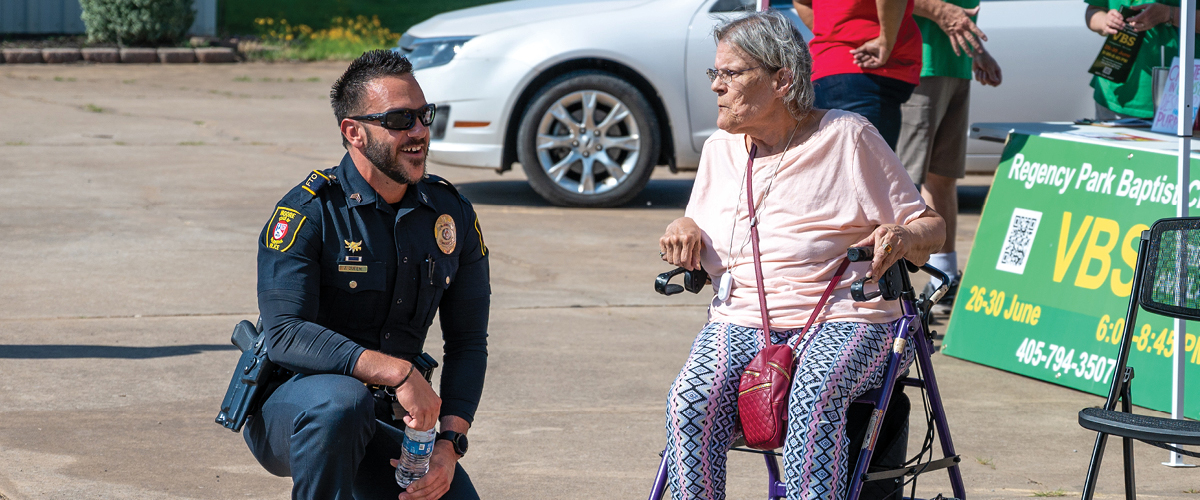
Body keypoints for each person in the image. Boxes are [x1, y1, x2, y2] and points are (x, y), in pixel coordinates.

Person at [658, 11, 945, 500]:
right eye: (715, 74)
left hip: (850, 317)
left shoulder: (847, 136)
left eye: (730, 74)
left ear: (782, 78)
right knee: (690, 400)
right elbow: (702, 231)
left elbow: (931, 228)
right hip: (742, 318)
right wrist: (683, 228)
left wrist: (901, 237)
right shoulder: (719, 152)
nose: (716, 87)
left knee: (814, 393)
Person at [244, 49, 489, 500]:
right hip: (295, 407)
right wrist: (398, 372)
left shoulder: (449, 213)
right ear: (353, 132)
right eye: (399, 120)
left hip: (385, 415)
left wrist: (449, 444)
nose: (419, 132)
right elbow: (286, 334)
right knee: (341, 403)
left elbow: (468, 341)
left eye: (423, 115)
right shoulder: (309, 213)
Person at [898, 0, 1002, 310]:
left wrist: (977, 51)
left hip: (954, 65)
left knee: (942, 176)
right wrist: (938, 12)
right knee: (903, 179)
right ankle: (887, 283)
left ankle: (943, 277)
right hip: (919, 63)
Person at [792, 0, 924, 150]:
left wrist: (834, 34)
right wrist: (886, 42)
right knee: (865, 168)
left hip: (833, 71)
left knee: (838, 165)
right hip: (865, 71)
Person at [1085, 0, 1200, 120]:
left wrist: (1170, 14)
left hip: (1184, 98)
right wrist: (1106, 21)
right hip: (1113, 97)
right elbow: (1093, 11)